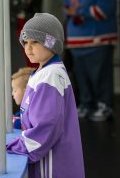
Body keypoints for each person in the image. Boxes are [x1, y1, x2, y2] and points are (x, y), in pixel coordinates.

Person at [6, 13, 85, 178]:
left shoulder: (50, 76)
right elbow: (35, 116)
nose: (28, 48)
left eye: (35, 41)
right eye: (25, 42)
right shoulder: (43, 72)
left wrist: (11, 146)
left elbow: (46, 126)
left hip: (54, 167)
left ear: (51, 43)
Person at [64, 0, 117, 121]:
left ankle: (104, 106)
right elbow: (67, 7)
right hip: (76, 42)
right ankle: (87, 104)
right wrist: (71, 11)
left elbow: (105, 9)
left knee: (100, 76)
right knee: (81, 77)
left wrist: (80, 11)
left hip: (97, 41)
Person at [11, 0, 44, 68]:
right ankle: (32, 70)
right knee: (26, 49)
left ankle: (37, 71)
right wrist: (22, 6)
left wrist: (21, 6)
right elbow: (14, 5)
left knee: (33, 49)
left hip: (30, 23)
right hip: (20, 23)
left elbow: (32, 5)